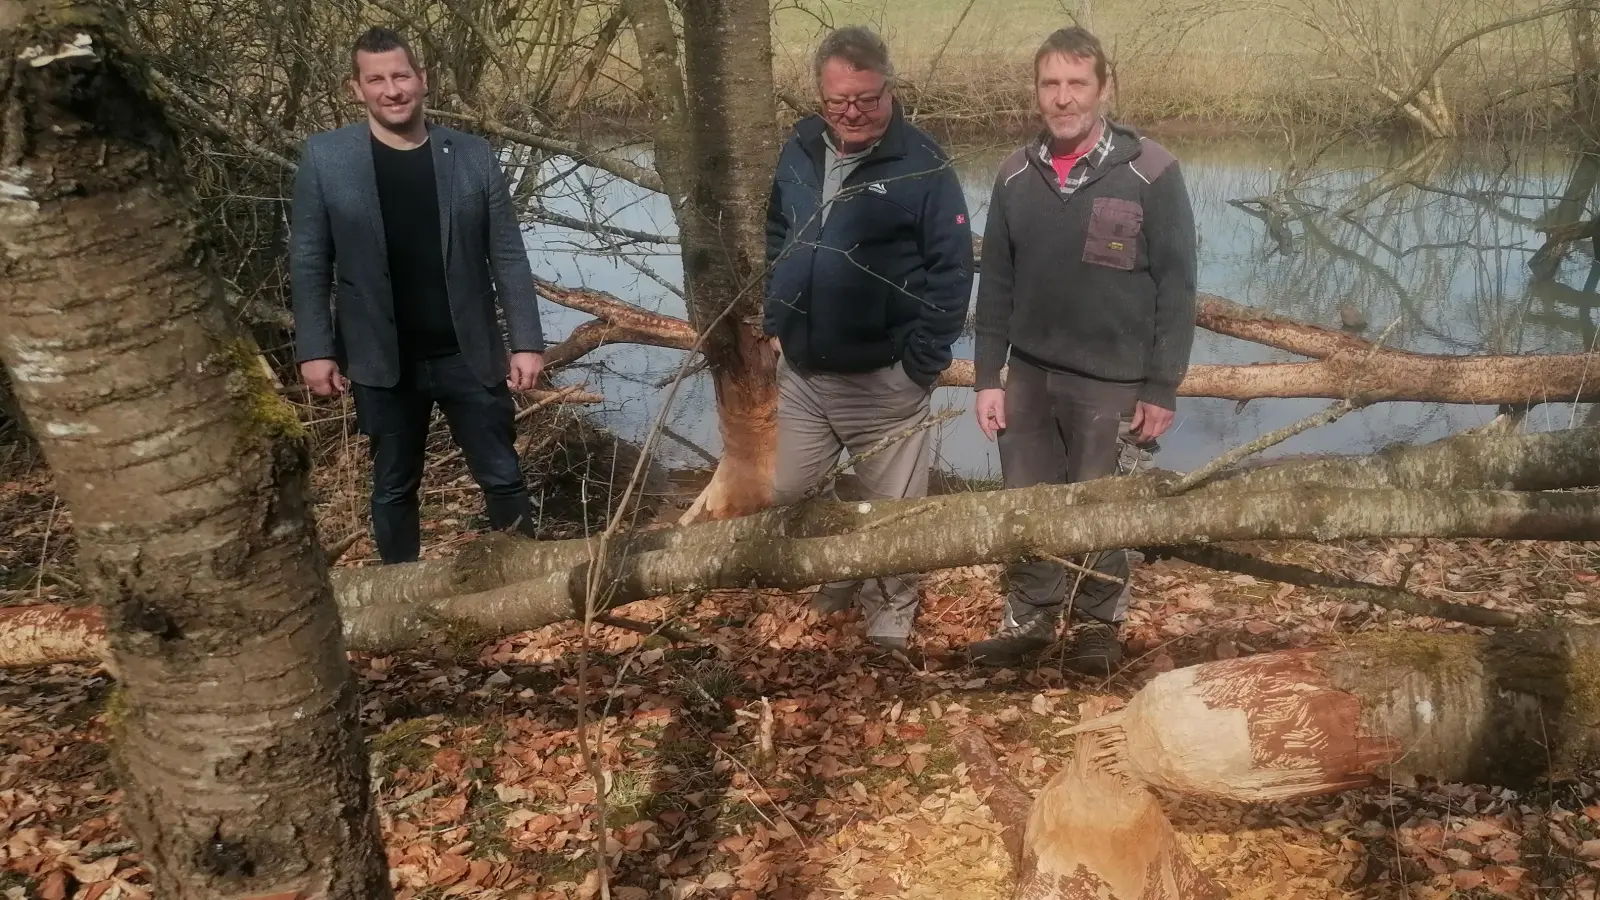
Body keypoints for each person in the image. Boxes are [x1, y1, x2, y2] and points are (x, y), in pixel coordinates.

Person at [967, 26, 1197, 673]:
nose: (1063, 98)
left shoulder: (1152, 172)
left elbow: (1179, 287)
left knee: (1105, 511)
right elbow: (998, 284)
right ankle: (1030, 620)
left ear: (1102, 88)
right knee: (1028, 505)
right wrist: (989, 376)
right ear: (1037, 90)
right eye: (1050, 84)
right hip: (1031, 377)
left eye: (1076, 84)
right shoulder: (1016, 174)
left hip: (1114, 381)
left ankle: (1098, 628)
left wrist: (1161, 385)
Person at [290, 27, 547, 564]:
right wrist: (316, 349)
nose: (392, 89)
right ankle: (397, 590)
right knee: (392, 487)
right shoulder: (326, 158)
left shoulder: (472, 155)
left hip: (467, 352)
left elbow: (508, 254)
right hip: (382, 359)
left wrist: (526, 341)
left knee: (502, 475)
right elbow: (311, 259)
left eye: (401, 75)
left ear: (422, 80)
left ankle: (525, 578)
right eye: (376, 79)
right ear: (355, 88)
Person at [763, 26, 975, 650]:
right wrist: (777, 318)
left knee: (893, 512)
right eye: (838, 102)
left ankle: (889, 615)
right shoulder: (800, 145)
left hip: (884, 377)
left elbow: (951, 270)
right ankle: (834, 572)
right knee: (792, 493)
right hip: (802, 372)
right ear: (819, 97)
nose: (852, 113)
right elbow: (779, 231)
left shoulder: (924, 163)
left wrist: (922, 364)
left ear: (889, 87)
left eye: (866, 99)